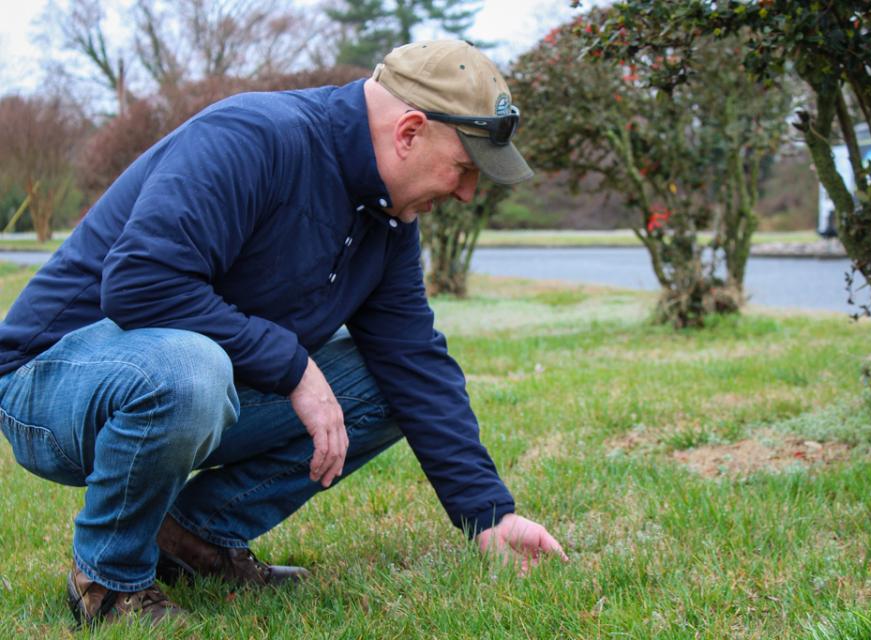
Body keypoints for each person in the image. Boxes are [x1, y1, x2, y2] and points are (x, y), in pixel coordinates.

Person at [0, 40, 567, 627]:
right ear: (409, 131)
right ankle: (109, 582)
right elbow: (142, 284)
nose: (468, 192)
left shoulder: (388, 218)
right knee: (193, 367)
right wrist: (293, 368)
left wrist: (490, 515)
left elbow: (413, 361)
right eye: (465, 168)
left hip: (183, 382)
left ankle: (193, 539)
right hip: (48, 385)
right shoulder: (253, 138)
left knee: (389, 383)